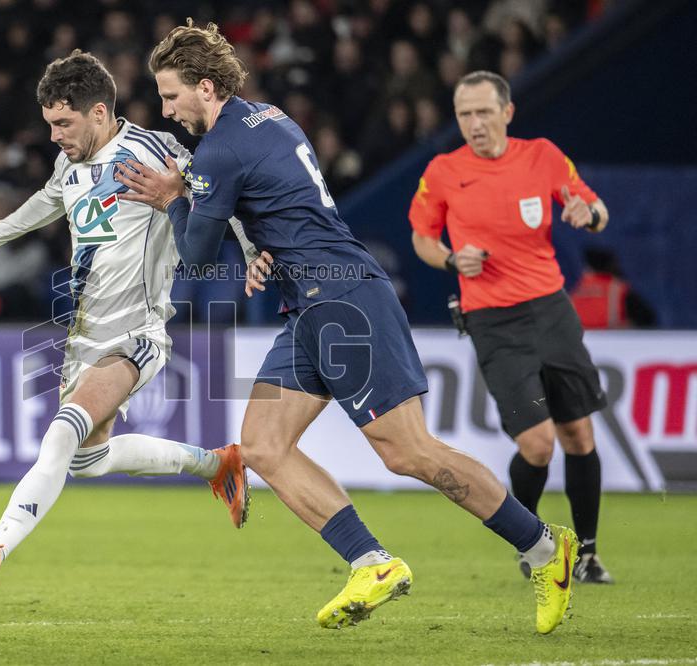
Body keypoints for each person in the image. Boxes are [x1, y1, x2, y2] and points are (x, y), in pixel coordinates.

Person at [114, 20, 578, 634]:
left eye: (172, 96)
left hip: (342, 302)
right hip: (309, 302)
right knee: (262, 445)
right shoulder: (270, 116)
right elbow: (283, 202)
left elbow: (197, 256)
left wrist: (174, 198)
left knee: (408, 452)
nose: (168, 111)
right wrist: (259, 249)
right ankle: (372, 562)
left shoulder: (219, 149)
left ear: (205, 86)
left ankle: (546, 547)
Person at [0, 50, 253, 597]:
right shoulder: (70, 163)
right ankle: (217, 464)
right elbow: (48, 200)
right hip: (83, 334)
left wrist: (253, 252)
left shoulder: (154, 149)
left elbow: (219, 192)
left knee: (62, 434)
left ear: (98, 112)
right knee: (86, 460)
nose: (54, 136)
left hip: (136, 331)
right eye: (49, 125)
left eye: (63, 123)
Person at [409, 70, 613, 584]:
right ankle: (534, 545)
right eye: (464, 115)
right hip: (492, 320)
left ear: (507, 112)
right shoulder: (443, 170)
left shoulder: (542, 155)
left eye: (482, 112)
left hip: (551, 309)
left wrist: (585, 214)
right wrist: (453, 260)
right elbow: (422, 238)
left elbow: (597, 211)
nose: (474, 124)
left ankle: (587, 553)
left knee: (578, 433)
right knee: (537, 443)